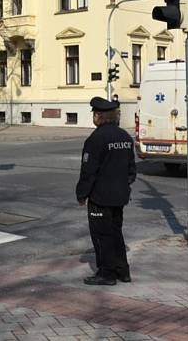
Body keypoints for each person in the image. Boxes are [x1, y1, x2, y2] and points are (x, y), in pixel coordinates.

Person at [76, 96, 137, 286]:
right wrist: (122, 185)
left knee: (102, 235)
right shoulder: (125, 137)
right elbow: (131, 171)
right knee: (116, 232)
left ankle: (106, 273)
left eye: (95, 114)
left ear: (99, 116)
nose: (94, 117)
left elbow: (88, 171)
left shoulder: (96, 139)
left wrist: (82, 193)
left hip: (100, 197)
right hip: (120, 196)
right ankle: (122, 271)